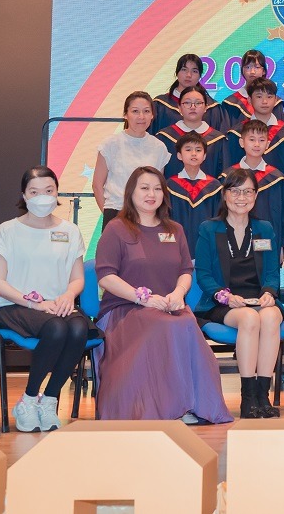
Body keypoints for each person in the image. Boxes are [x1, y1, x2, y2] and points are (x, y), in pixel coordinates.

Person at [94, 167, 233, 423]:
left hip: (170, 307)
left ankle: (189, 405)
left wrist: (179, 293)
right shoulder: (116, 229)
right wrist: (142, 298)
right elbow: (105, 276)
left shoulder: (175, 229)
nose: (152, 194)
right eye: (144, 188)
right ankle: (163, 407)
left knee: (186, 322)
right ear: (131, 192)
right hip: (125, 309)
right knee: (164, 325)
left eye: (157, 189)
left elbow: (186, 270)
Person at [0, 166, 90, 432]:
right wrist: (34, 303)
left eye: (48, 190)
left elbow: (77, 278)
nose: (42, 197)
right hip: (16, 306)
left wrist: (68, 295)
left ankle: (50, 399)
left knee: (79, 328)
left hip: (56, 305)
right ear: (24, 195)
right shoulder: (8, 230)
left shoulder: (70, 230)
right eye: (34, 192)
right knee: (56, 328)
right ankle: (29, 398)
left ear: (57, 193)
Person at [194, 168, 284, 418]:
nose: (241, 197)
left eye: (248, 192)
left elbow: (272, 272)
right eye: (235, 191)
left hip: (258, 298)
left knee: (270, 316)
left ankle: (263, 396)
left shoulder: (264, 228)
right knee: (249, 317)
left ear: (256, 196)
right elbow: (203, 274)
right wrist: (224, 296)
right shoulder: (209, 229)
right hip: (223, 302)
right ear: (225, 194)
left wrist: (269, 293)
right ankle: (248, 398)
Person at [93, 90, 171, 224]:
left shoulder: (159, 147)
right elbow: (97, 185)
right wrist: (110, 218)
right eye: (135, 111)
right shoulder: (110, 144)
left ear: (152, 115)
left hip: (147, 215)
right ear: (125, 114)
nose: (141, 116)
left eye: (146, 111)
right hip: (116, 212)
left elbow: (158, 187)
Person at [222, 118, 284, 253]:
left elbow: (282, 217)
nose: (256, 144)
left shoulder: (276, 179)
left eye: (261, 140)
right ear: (241, 142)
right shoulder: (227, 177)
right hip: (231, 242)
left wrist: (281, 246)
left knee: (264, 264)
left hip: (265, 242)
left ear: (268, 144)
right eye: (251, 139)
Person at [165, 132, 223, 257]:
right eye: (188, 149)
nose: (193, 153)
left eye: (198, 150)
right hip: (176, 249)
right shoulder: (170, 185)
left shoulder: (214, 186)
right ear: (179, 155)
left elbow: (219, 218)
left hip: (207, 248)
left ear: (204, 156)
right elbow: (165, 220)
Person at [226, 77, 284, 176]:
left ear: (276, 100)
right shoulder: (237, 133)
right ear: (249, 100)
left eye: (269, 97)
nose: (265, 101)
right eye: (259, 97)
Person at [158, 86, 229, 179]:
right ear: (179, 107)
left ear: (206, 107)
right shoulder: (164, 137)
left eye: (198, 103)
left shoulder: (218, 139)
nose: (192, 107)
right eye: (187, 103)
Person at [209, 49, 268, 132]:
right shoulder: (231, 104)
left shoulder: (274, 102)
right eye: (247, 67)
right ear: (242, 70)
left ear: (264, 71)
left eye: (257, 67)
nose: (252, 72)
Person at [151, 53, 205, 133]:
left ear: (200, 75)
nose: (189, 75)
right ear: (176, 73)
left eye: (194, 71)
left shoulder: (211, 108)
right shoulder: (159, 105)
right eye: (184, 69)